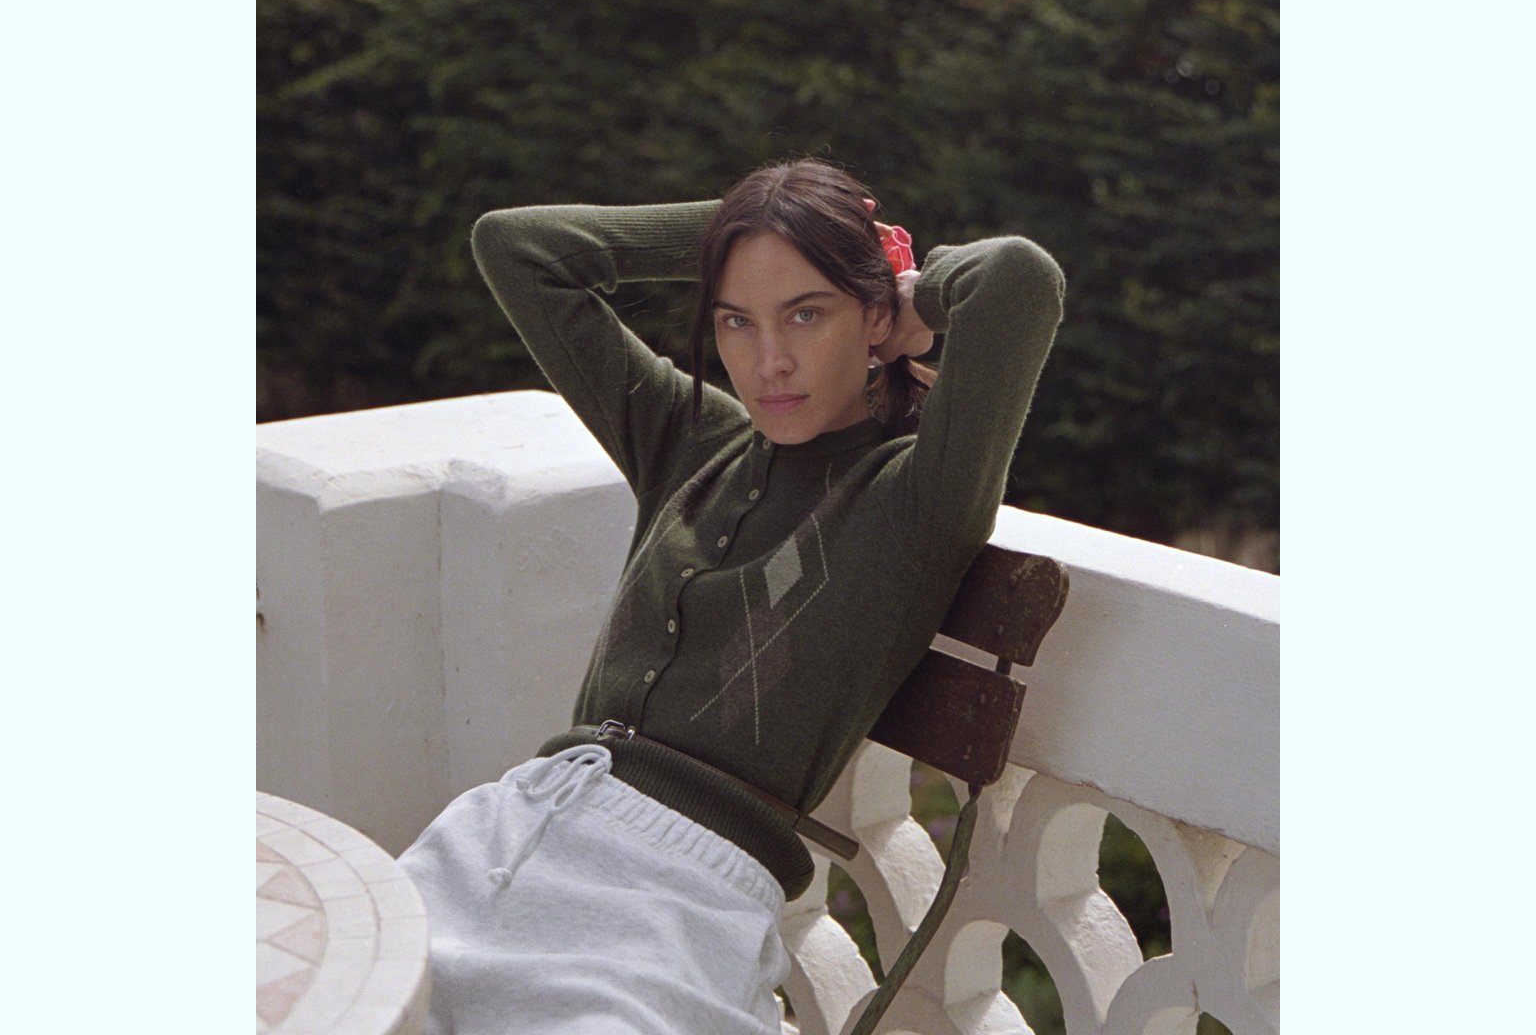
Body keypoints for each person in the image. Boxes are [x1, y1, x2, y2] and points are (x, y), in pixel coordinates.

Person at [397, 158, 1066, 1035]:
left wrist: (906, 286)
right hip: (506, 828)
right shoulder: (689, 440)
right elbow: (519, 248)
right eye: (735, 320)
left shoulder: (912, 499)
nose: (768, 361)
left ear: (875, 318)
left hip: (680, 897)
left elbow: (1017, 280)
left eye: (806, 314)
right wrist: (753, 228)